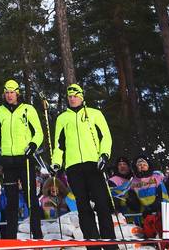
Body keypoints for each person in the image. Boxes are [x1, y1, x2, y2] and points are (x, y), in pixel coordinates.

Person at [50, 83, 114, 241]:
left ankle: (110, 243)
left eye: (75, 96)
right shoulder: (62, 118)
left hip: (94, 165)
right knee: (83, 207)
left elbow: (106, 137)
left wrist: (104, 155)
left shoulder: (94, 113)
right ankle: (92, 242)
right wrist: (56, 162)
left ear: (81, 97)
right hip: (73, 167)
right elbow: (59, 144)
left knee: (102, 204)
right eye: (70, 97)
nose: (72, 99)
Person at [0, 78, 44, 239]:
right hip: (8, 162)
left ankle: (37, 235)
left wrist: (33, 145)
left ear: (17, 93)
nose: (9, 95)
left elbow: (38, 133)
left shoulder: (27, 109)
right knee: (10, 202)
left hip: (25, 160)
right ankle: (11, 238)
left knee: (30, 198)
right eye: (7, 93)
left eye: (12, 92)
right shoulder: (0, 111)